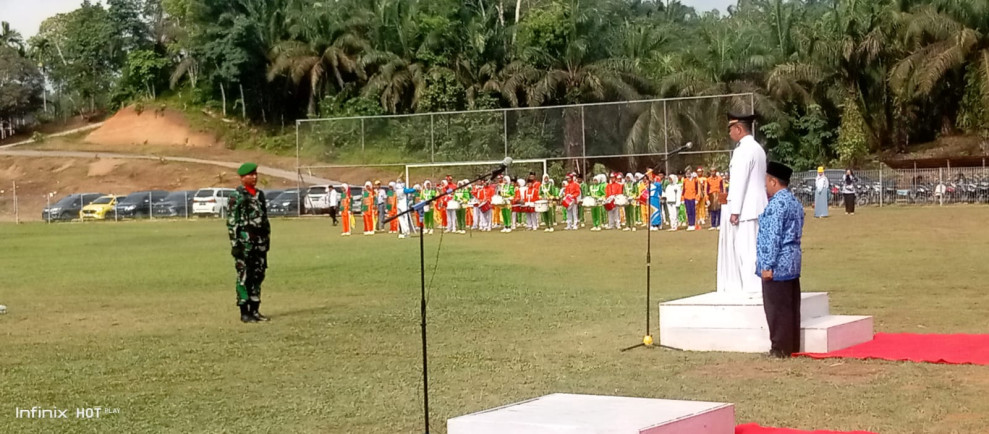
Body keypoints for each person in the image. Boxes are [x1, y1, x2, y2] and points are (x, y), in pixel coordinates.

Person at [718, 112, 768, 298]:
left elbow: (740, 182)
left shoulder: (743, 151)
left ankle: (752, 288)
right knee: (755, 248)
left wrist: (735, 210)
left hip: (746, 209)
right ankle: (756, 286)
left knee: (746, 251)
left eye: (730, 129)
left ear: (738, 128)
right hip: (757, 206)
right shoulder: (757, 148)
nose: (729, 133)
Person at [758, 161, 805, 358]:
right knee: (791, 305)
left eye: (767, 181)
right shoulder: (794, 201)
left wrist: (767, 264)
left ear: (774, 181)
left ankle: (780, 347)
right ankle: (792, 343)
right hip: (792, 257)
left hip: (778, 261)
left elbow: (773, 235)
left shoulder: (776, 204)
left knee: (776, 307)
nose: (766, 185)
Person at [226, 162, 271, 323]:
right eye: (250, 175)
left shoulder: (259, 195)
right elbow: (232, 222)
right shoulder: (236, 196)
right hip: (244, 243)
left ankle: (255, 308)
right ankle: (244, 311)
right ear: (242, 178)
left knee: (258, 275)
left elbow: (264, 219)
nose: (254, 177)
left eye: (255, 174)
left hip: (259, 242)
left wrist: (267, 240)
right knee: (244, 276)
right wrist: (235, 245)